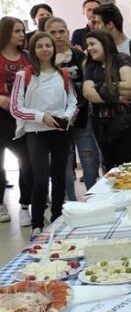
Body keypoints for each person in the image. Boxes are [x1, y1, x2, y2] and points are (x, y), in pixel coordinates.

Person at [10, 32, 77, 234]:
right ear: (33, 50)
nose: (45, 49)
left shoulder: (63, 75)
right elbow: (16, 107)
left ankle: (57, 217)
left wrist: (66, 117)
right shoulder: (24, 76)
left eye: (48, 45)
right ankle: (37, 222)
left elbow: (73, 101)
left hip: (60, 132)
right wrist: (42, 117)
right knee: (40, 178)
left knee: (59, 176)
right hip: (36, 132)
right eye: (40, 46)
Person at [44, 17, 100, 200]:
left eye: (62, 31)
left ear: (68, 32)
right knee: (64, 165)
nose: (58, 36)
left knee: (89, 161)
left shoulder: (79, 56)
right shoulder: (44, 58)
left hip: (82, 116)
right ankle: (68, 204)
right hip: (57, 119)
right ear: (46, 34)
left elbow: (89, 83)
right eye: (53, 32)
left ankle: (95, 200)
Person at [83, 30, 131, 171]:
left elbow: (129, 85)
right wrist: (117, 98)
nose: (88, 48)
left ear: (105, 43)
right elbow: (88, 93)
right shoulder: (91, 66)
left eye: (92, 44)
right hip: (103, 126)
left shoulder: (121, 59)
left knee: (128, 168)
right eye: (87, 45)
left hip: (130, 124)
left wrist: (98, 86)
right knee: (110, 169)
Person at [0, 17, 34, 225]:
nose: (23, 34)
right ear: (5, 33)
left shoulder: (27, 57)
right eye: (17, 31)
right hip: (0, 115)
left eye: (23, 30)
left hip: (20, 117)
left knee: (27, 161)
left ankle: (25, 206)